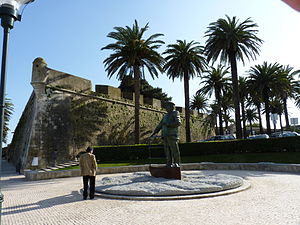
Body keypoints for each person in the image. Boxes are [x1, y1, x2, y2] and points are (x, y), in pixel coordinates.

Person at [151, 102, 181, 167]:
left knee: (174, 150)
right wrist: (154, 133)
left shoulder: (175, 113)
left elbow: (178, 123)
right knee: (167, 151)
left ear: (171, 107)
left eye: (167, 106)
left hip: (172, 135)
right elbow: (160, 125)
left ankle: (177, 163)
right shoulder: (165, 116)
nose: (166, 108)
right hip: (165, 135)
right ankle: (169, 163)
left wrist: (168, 124)